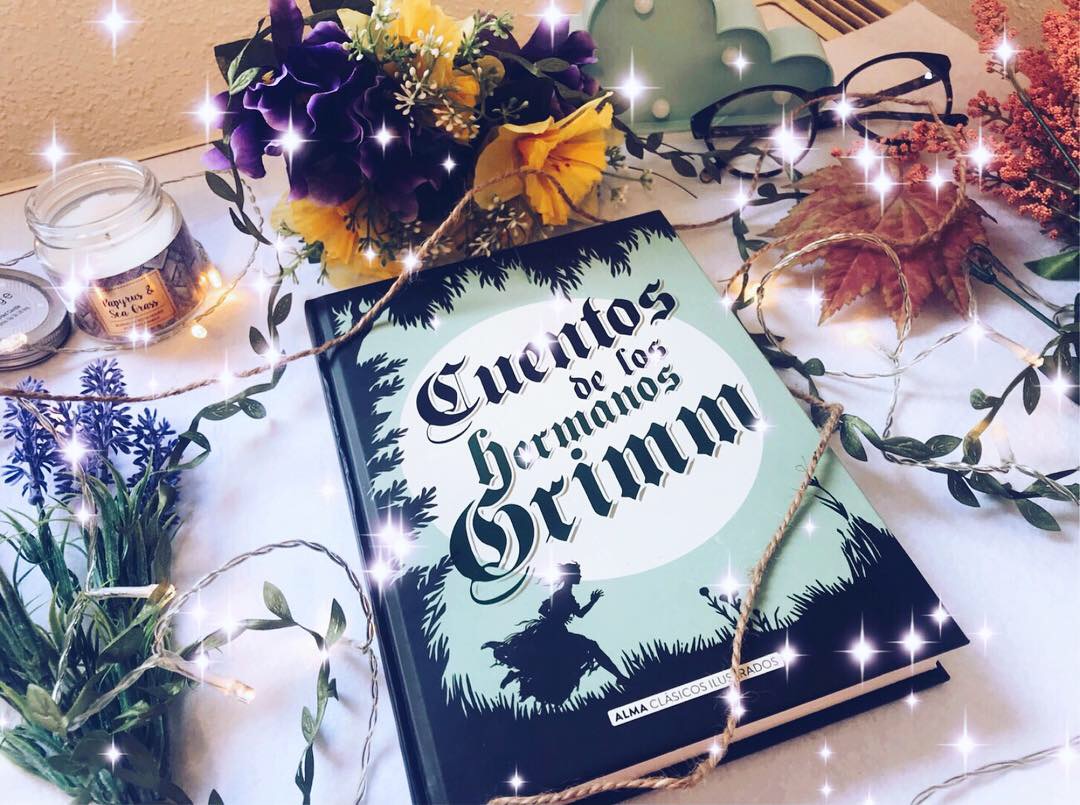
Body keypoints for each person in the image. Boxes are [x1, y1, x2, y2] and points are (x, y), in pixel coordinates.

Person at [482, 562, 628, 705]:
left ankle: (619, 677)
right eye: (578, 574)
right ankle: (619, 676)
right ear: (570, 576)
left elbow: (580, 614)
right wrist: (555, 617)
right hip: (551, 632)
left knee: (580, 651)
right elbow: (542, 610)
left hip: (558, 632)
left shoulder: (568, 596)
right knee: (584, 649)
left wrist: (592, 601)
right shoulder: (561, 594)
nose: (580, 576)